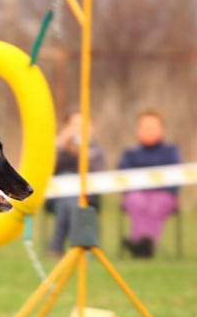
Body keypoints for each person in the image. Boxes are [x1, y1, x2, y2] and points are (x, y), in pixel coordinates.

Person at [119, 109, 180, 258]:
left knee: (156, 202)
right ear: (137, 130)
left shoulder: (170, 151)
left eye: (153, 127)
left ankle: (143, 244)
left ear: (161, 129)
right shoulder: (130, 153)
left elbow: (175, 179)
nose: (149, 131)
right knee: (137, 200)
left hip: (163, 195)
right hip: (136, 194)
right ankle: (142, 244)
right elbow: (123, 178)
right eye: (145, 127)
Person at [48, 112, 105, 256]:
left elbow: (97, 172)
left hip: (87, 197)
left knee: (71, 199)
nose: (78, 130)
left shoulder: (96, 152)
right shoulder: (59, 149)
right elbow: (48, 169)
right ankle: (82, 247)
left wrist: (80, 152)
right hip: (57, 197)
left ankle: (56, 246)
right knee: (69, 193)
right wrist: (61, 145)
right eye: (74, 126)